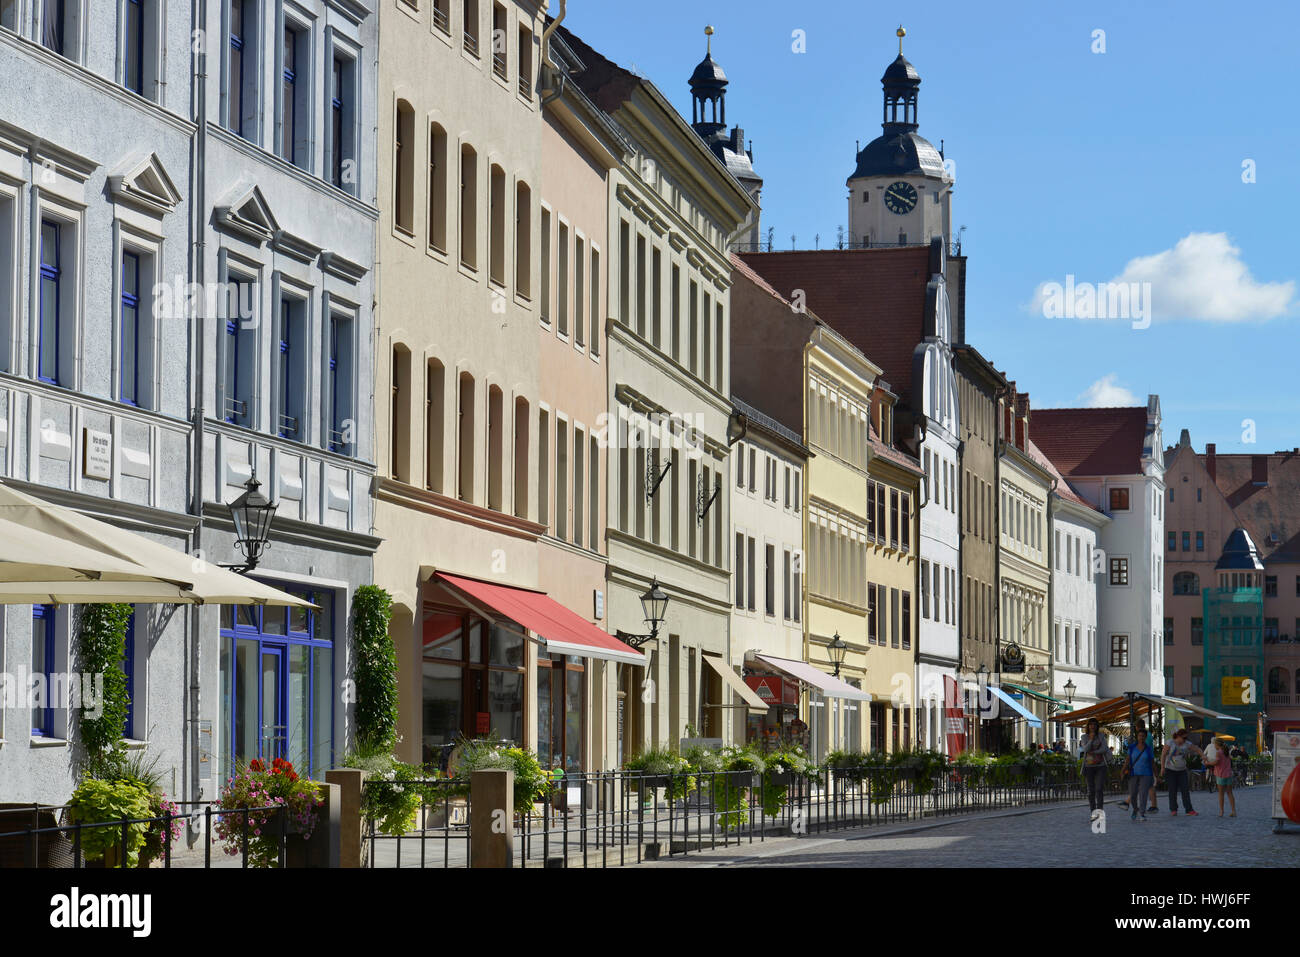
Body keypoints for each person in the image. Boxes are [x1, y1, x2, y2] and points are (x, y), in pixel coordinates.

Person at [1161, 728, 1203, 816]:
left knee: (1185, 790)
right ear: (1178, 736)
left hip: (1182, 770)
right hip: (1170, 770)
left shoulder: (1187, 744)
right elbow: (1163, 755)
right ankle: (1173, 809)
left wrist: (1203, 756)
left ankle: (1189, 809)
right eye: (1183, 738)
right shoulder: (1170, 742)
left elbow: (1196, 749)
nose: (1185, 740)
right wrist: (1162, 768)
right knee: (1172, 790)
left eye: (1186, 738)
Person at [1078, 718, 1112, 816]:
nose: (1092, 726)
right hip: (1089, 766)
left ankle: (1099, 811)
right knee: (1091, 790)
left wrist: (1094, 752)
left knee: (1099, 788)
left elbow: (1104, 748)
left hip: (1101, 765)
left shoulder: (1101, 736)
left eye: (1094, 724)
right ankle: (1093, 812)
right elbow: (1085, 749)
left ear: (1097, 726)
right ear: (1088, 726)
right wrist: (1091, 739)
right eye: (1091, 724)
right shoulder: (1084, 736)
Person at [1124, 728, 1156, 821]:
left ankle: (1142, 813)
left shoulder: (1149, 749)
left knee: (1143, 794)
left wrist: (1156, 775)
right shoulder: (1132, 747)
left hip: (1146, 774)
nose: (1141, 737)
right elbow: (1127, 760)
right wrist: (1123, 770)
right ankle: (1135, 809)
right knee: (1133, 794)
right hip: (1133, 773)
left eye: (1143, 736)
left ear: (1145, 737)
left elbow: (1152, 762)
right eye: (1139, 736)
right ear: (1137, 737)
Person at [1212, 737, 1237, 817]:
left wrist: (1208, 763)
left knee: (1221, 794)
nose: (1214, 746)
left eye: (1214, 744)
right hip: (1228, 774)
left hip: (1220, 775)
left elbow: (1216, 762)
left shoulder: (1218, 752)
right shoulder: (1226, 752)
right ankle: (1233, 811)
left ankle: (1222, 811)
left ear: (1217, 744)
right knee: (1230, 793)